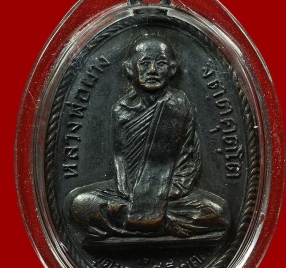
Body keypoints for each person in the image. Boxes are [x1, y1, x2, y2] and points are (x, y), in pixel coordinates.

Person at [68, 35, 229, 241]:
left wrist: (170, 191)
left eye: (160, 64)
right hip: (129, 195)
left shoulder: (178, 104)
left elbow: (189, 156)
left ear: (171, 69)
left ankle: (132, 224)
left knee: (220, 211)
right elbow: (120, 157)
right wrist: (126, 189)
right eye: (144, 63)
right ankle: (158, 223)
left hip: (170, 193)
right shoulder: (121, 110)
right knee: (81, 204)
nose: (152, 71)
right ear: (130, 68)